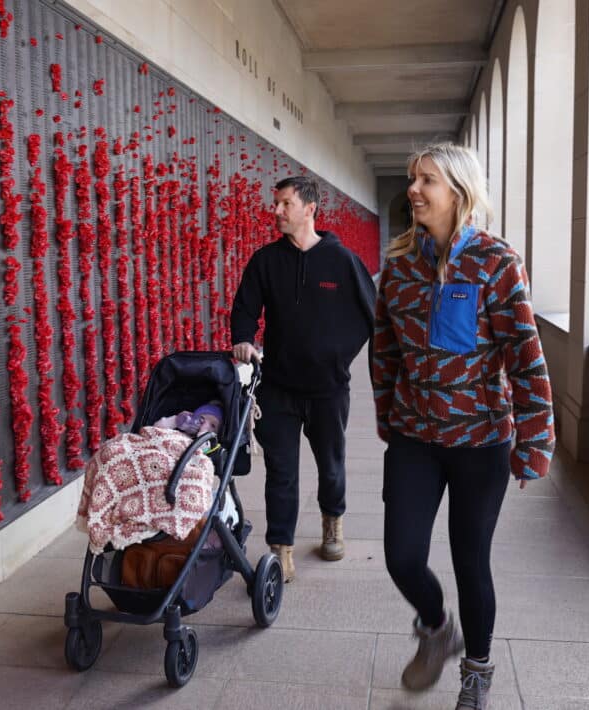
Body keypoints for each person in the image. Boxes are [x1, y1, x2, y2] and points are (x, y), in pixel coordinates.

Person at [372, 142, 555, 708]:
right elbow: (384, 351)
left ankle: (476, 671)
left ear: (459, 190)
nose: (414, 190)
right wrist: (388, 415)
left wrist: (534, 443)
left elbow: (525, 355)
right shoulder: (398, 266)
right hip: (415, 439)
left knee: (469, 557)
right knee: (402, 555)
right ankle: (436, 626)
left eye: (426, 180)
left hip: (480, 442)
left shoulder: (497, 263)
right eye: (412, 179)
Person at [231, 176, 376, 582]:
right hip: (278, 387)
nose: (276, 211)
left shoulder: (342, 260)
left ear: (310, 208)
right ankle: (281, 548)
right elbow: (245, 308)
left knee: (330, 466)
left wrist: (339, 354)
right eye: (276, 203)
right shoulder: (265, 261)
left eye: (285, 203)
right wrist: (243, 339)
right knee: (281, 470)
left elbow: (374, 316)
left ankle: (333, 522)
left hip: (328, 389)